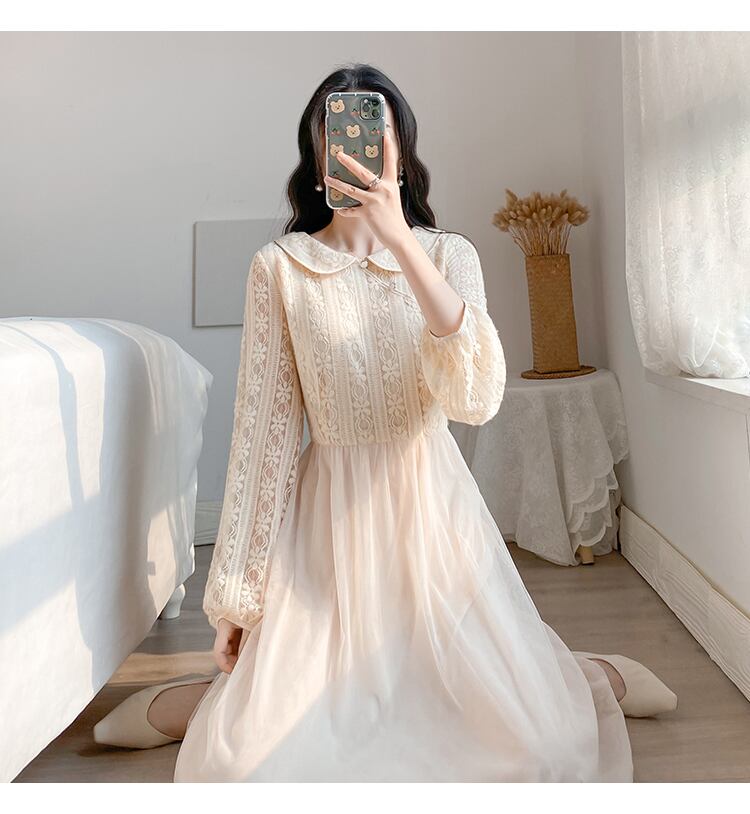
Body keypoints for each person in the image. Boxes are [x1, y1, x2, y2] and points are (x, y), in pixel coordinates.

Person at [93, 64, 677, 782]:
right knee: (250, 767)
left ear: (400, 152)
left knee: (537, 753)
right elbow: (262, 438)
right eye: (335, 139)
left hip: (433, 518)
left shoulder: (448, 254)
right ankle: (205, 702)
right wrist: (236, 601)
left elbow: (476, 396)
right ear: (316, 158)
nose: (356, 154)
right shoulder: (280, 268)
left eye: (376, 138)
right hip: (325, 532)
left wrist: (401, 240)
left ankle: (580, 679)